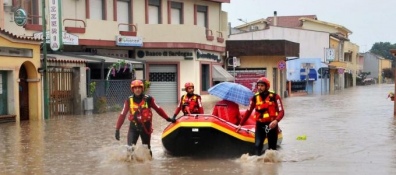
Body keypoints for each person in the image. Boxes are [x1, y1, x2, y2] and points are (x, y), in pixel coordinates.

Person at [115, 80, 175, 153]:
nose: (137, 89)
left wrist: (168, 118)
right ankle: (130, 164)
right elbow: (122, 115)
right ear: (132, 89)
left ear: (142, 88)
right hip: (133, 127)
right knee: (130, 149)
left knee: (147, 149)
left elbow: (158, 109)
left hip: (146, 127)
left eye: (139, 87)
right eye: (135, 88)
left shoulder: (149, 99)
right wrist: (117, 129)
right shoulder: (128, 100)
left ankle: (149, 164)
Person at [237, 77, 284, 156]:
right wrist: (240, 124)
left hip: (271, 125)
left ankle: (272, 167)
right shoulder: (254, 98)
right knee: (257, 146)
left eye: (262, 86)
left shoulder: (275, 97)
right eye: (258, 86)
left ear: (267, 87)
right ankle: (258, 165)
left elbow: (281, 111)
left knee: (272, 149)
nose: (259, 88)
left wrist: (276, 121)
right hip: (260, 125)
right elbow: (248, 111)